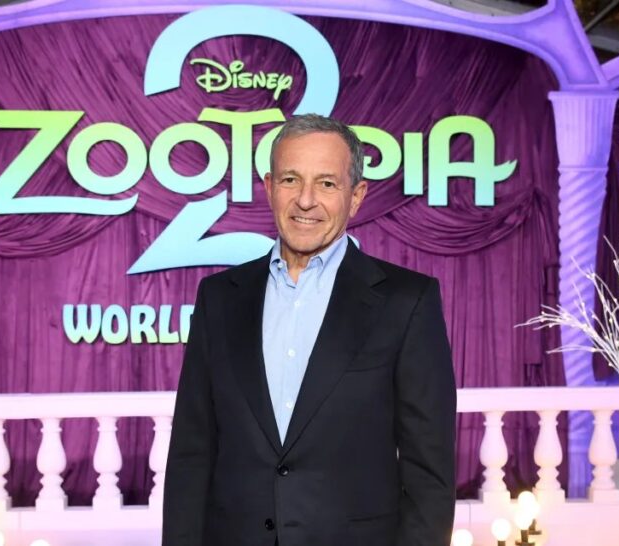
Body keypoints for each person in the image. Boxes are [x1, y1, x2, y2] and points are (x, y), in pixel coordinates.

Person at [162, 114, 457, 546]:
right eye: (290, 180)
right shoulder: (219, 298)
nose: (305, 200)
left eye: (327, 183)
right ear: (268, 188)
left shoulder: (407, 302)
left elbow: (429, 475)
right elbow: (191, 455)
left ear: (356, 196)